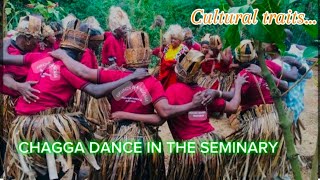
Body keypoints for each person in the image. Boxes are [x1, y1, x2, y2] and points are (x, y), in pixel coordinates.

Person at [49, 31, 208, 180]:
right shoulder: (152, 82)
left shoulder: (114, 75)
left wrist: (63, 56)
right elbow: (160, 118)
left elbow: (83, 72)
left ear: (126, 53)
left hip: (117, 138)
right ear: (147, 54)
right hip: (143, 142)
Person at [2, 18, 148, 180]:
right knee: (73, 144)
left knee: (36, 165)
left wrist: (8, 41)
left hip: (23, 124)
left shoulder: (38, 56)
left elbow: (3, 57)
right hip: (45, 125)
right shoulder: (68, 69)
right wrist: (131, 77)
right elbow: (96, 91)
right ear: (79, 54)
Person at [165, 49, 247, 180]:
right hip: (211, 143)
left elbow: (163, 114)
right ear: (198, 74)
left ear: (178, 71)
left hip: (190, 148)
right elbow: (233, 107)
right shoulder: (205, 92)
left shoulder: (172, 91)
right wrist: (237, 86)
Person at [225, 40, 291, 179]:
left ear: (237, 58)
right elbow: (288, 83)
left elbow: (232, 100)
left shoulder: (244, 75)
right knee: (272, 155)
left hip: (258, 124)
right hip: (277, 120)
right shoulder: (268, 66)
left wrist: (217, 93)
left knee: (251, 157)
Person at [158, 24, 189, 89]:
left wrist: (174, 66)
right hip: (164, 76)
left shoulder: (184, 50)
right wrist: (161, 57)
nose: (172, 40)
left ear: (180, 40)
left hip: (175, 78)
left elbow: (184, 66)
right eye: (172, 38)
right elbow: (162, 62)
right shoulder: (168, 47)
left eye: (175, 39)